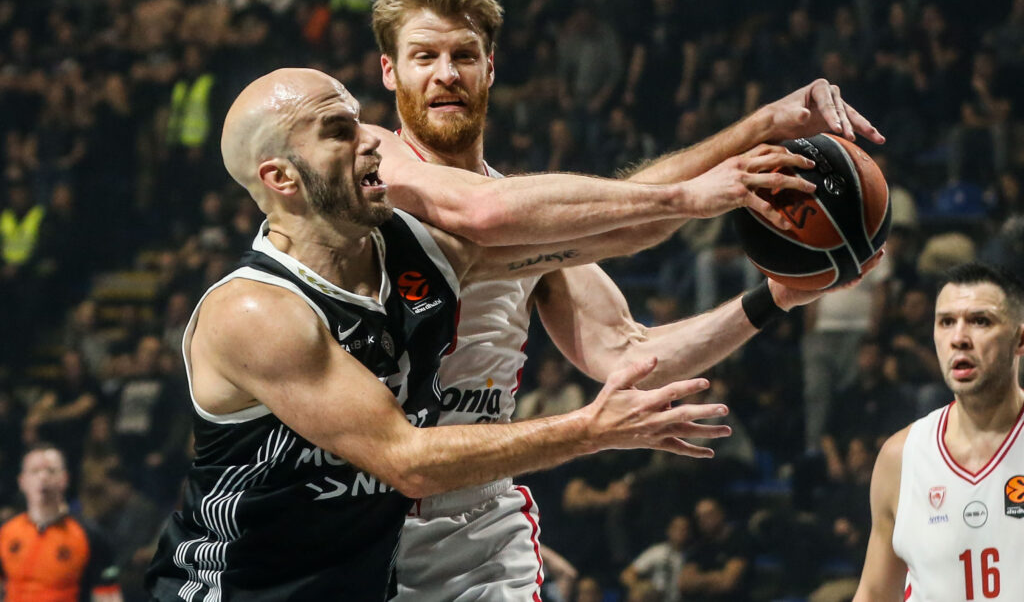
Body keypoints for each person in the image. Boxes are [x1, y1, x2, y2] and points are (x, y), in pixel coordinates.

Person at [366, 0, 885, 600]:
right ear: (390, 71)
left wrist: (774, 297)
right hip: (364, 507)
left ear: (491, 68)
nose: (447, 74)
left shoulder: (534, 216)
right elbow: (484, 214)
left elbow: (627, 353)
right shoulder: (367, 161)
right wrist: (717, 166)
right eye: (424, 57)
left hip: (481, 524)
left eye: (465, 55)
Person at [145, 68, 737, 601]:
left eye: (360, 121)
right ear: (281, 177)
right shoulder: (256, 312)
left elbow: (610, 232)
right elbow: (409, 462)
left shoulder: (417, 254)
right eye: (338, 132)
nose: (371, 139)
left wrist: (733, 166)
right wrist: (591, 429)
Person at [853, 263, 1024, 600]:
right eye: (946, 322)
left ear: (1020, 339)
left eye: (980, 321)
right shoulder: (900, 457)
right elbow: (874, 593)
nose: (958, 338)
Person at [0, 444, 122, 602]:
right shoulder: (6, 531)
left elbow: (108, 596)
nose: (43, 477)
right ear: (22, 481)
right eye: (35, 471)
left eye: (51, 471)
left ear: (64, 479)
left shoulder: (90, 536)